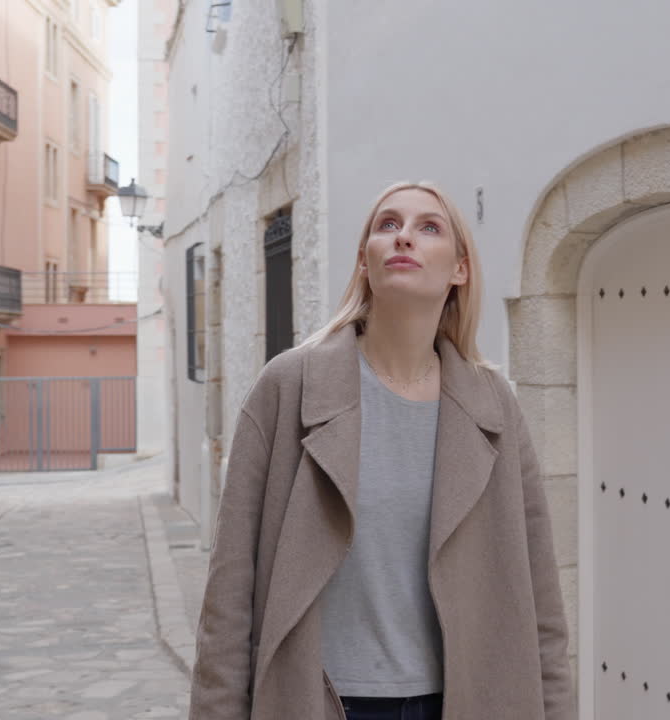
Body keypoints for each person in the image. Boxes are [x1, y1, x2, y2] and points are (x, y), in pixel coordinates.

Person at [189, 182, 575, 720]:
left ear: (459, 269)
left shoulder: (494, 407)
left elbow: (541, 603)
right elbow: (229, 594)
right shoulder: (288, 387)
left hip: (464, 700)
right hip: (319, 700)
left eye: (429, 227)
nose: (404, 238)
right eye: (387, 225)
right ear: (364, 262)